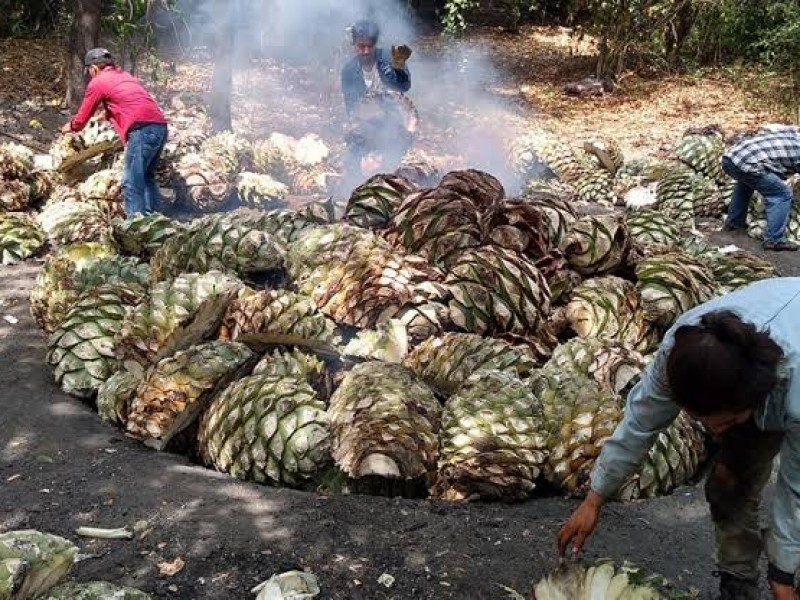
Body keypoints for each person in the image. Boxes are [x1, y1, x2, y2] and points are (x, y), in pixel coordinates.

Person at [559, 277, 800, 600]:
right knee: (728, 484)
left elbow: (795, 487)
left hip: (788, 376)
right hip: (755, 372)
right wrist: (595, 497)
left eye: (725, 421)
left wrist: (782, 573)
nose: (714, 431)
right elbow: (639, 424)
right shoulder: (679, 355)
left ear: (751, 403)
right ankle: (737, 582)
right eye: (706, 422)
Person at [61, 48, 168, 215]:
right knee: (147, 176)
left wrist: (71, 127)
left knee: (131, 182)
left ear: (93, 68)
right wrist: (105, 115)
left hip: (141, 130)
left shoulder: (98, 82)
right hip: (160, 126)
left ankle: (136, 227)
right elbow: (130, 101)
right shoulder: (124, 76)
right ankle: (157, 222)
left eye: (89, 71)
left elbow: (82, 117)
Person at [340, 19, 414, 191]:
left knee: (391, 170)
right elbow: (351, 107)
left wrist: (398, 71)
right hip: (366, 122)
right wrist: (366, 119)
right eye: (361, 46)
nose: (365, 51)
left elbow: (405, 87)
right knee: (355, 165)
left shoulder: (391, 57)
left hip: (393, 122)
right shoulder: (349, 71)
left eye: (370, 46)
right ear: (354, 44)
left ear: (376, 43)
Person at [721, 125, 800, 252]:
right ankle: (774, 240)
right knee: (781, 195)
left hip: (730, 158)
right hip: (748, 162)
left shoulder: (794, 134)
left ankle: (734, 223)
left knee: (745, 184)